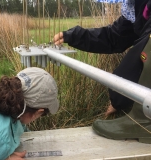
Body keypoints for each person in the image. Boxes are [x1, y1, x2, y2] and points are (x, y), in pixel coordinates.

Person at [53, 0, 151, 143]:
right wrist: (74, 36)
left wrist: (118, 98)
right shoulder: (138, 7)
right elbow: (114, 37)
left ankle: (144, 122)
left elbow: (136, 60)